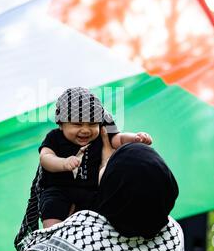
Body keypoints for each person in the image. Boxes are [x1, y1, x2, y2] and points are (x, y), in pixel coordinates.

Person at [16, 128, 184, 251]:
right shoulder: (174, 235)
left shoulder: (76, 239)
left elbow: (32, 247)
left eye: (111, 164)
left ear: (115, 191)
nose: (106, 163)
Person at [37, 87, 152, 228]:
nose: (85, 130)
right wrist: (63, 163)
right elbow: (45, 157)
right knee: (52, 208)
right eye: (77, 124)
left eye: (92, 124)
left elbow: (118, 139)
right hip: (60, 189)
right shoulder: (54, 137)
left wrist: (135, 138)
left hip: (91, 190)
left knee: (104, 209)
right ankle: (53, 235)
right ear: (61, 124)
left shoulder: (102, 134)